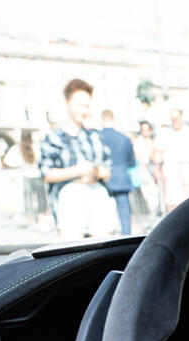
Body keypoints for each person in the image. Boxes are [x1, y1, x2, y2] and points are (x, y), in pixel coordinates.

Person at [38, 78, 116, 239]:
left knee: (103, 247)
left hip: (97, 193)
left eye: (87, 106)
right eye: (80, 105)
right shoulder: (54, 137)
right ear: (68, 103)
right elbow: (46, 173)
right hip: (70, 196)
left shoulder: (95, 136)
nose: (85, 111)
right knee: (73, 249)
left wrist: (99, 172)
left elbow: (108, 172)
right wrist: (78, 171)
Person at [98, 109, 137, 234]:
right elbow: (132, 161)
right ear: (113, 120)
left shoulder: (97, 137)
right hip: (121, 178)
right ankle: (126, 239)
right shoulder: (124, 139)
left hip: (102, 179)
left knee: (102, 214)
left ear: (102, 120)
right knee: (124, 215)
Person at [154, 108, 189, 210]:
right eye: (172, 119)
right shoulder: (165, 133)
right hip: (171, 172)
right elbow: (159, 152)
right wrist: (157, 169)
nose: (174, 121)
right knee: (172, 202)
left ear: (181, 118)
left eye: (176, 119)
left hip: (188, 171)